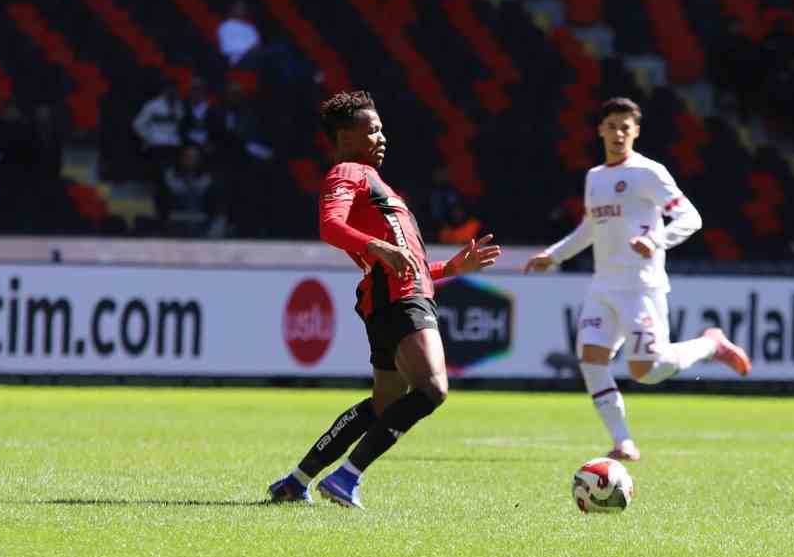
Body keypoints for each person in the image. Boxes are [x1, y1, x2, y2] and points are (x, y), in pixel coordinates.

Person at [267, 90, 500, 508]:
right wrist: (379, 247)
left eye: (381, 128)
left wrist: (451, 269)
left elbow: (404, 262)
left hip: (392, 293)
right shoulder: (347, 173)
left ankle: (295, 481)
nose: (382, 136)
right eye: (371, 129)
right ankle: (345, 479)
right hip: (398, 297)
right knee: (432, 389)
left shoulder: (374, 181)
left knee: (385, 402)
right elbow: (330, 226)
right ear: (345, 136)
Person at [524, 96, 750, 461]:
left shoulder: (649, 173)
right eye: (611, 126)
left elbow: (691, 218)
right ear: (600, 129)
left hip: (641, 287)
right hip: (603, 287)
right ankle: (623, 442)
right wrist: (554, 255)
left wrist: (655, 240)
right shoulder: (594, 178)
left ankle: (711, 344)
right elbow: (590, 227)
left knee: (647, 371)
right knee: (591, 358)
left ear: (636, 132)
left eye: (625, 127)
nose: (618, 134)